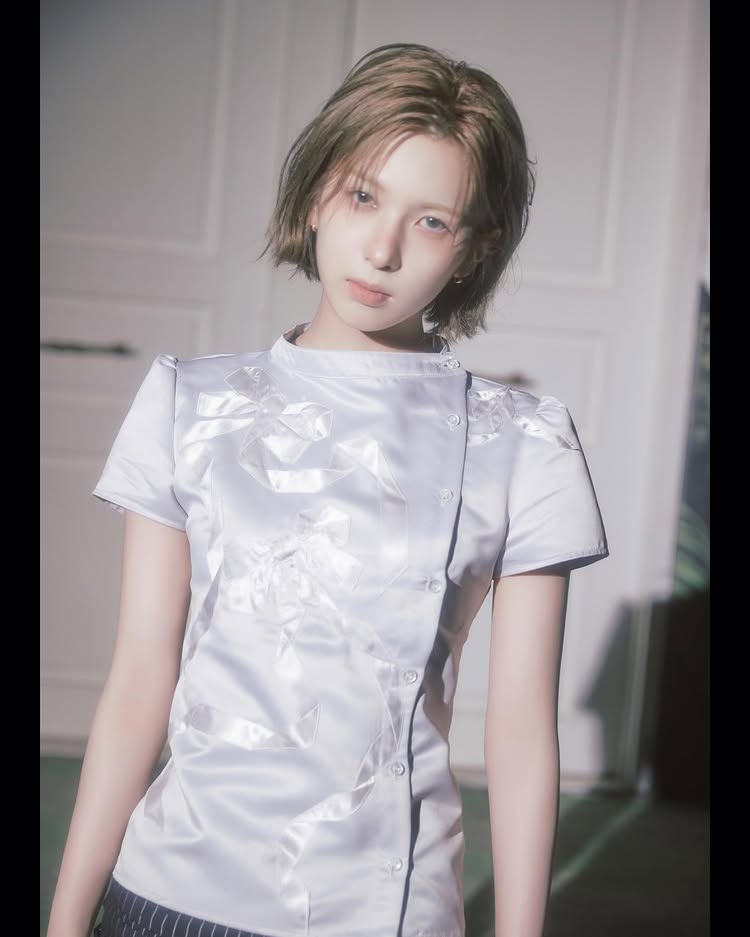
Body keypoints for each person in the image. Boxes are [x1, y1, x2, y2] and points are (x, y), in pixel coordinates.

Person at [47, 42, 608, 937]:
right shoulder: (190, 403)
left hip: (382, 913)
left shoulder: (525, 443)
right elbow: (140, 678)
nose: (381, 249)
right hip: (169, 894)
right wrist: (67, 914)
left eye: (432, 221)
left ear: (474, 247)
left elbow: (520, 732)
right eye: (362, 196)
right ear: (315, 194)